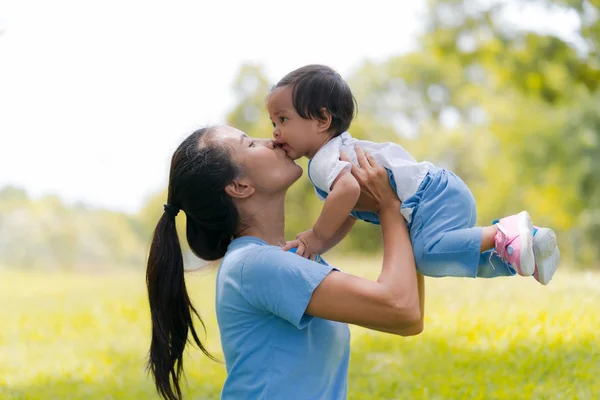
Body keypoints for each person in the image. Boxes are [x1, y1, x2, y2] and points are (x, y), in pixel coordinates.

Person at [145, 125, 425, 400]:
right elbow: (401, 309)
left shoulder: (293, 258)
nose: (273, 140)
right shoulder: (255, 265)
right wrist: (390, 206)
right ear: (239, 186)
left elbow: (407, 319)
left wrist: (394, 207)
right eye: (251, 144)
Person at [267, 64, 560, 285]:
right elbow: (350, 212)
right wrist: (319, 246)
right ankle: (523, 250)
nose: (275, 131)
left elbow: (347, 193)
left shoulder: (322, 160)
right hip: (438, 193)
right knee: (441, 260)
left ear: (322, 120)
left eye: (283, 119)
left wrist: (315, 236)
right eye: (273, 122)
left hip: (430, 198)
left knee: (428, 257)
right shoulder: (335, 153)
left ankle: (504, 231)